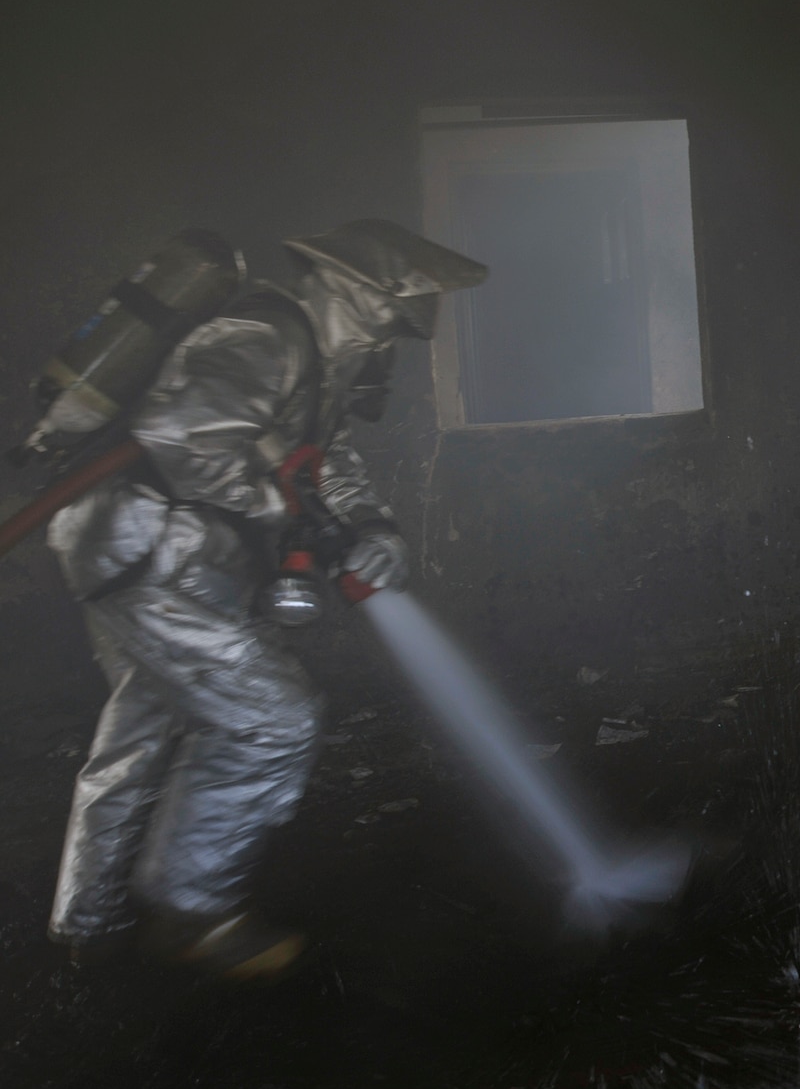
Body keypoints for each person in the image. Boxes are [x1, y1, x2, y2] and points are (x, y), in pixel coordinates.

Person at [44, 220, 486, 979]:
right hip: (153, 550)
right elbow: (181, 442)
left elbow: (324, 456)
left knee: (142, 730)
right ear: (347, 289)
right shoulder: (259, 337)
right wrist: (286, 509)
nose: (389, 331)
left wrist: (370, 523)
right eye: (387, 312)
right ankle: (193, 908)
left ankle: (88, 923)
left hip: (147, 549)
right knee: (271, 719)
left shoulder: (320, 360)